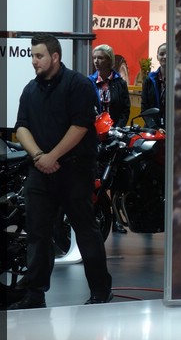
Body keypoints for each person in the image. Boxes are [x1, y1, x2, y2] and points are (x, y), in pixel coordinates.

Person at [8, 33, 114, 309]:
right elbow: (21, 127)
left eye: (39, 56)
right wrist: (39, 156)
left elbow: (80, 127)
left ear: (55, 57)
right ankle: (35, 294)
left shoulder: (78, 85)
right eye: (32, 56)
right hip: (40, 171)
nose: (34, 61)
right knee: (37, 233)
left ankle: (101, 291)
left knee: (85, 230)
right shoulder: (30, 90)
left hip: (74, 171)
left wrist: (52, 156)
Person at [88, 43, 131, 232]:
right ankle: (96, 213)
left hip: (115, 135)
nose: (97, 61)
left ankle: (116, 220)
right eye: (95, 58)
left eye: (101, 58)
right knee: (95, 175)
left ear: (110, 60)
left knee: (115, 177)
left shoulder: (119, 82)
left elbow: (125, 109)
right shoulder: (89, 82)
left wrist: (116, 128)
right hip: (94, 136)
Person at [141, 42, 167, 129]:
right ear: (157, 57)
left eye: (168, 54)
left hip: (174, 129)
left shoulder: (178, 80)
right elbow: (144, 109)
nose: (165, 57)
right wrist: (155, 127)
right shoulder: (149, 80)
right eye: (161, 54)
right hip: (152, 128)